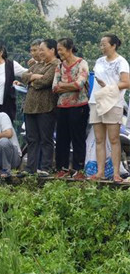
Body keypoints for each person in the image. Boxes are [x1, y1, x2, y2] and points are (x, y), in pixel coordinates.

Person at [87, 34, 129, 182]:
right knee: (99, 139)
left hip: (113, 103)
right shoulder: (99, 61)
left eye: (104, 44)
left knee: (113, 138)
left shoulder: (121, 62)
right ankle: (100, 172)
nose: (101, 47)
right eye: (101, 44)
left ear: (113, 45)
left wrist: (108, 87)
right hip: (97, 101)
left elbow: (126, 82)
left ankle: (116, 173)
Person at [19, 39, 59, 177]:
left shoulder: (56, 65)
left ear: (52, 50)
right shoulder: (37, 65)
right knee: (32, 139)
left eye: (42, 49)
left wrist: (32, 81)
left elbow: (46, 81)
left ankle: (45, 167)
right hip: (30, 107)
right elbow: (23, 76)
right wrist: (34, 77)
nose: (40, 52)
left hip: (46, 107)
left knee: (46, 138)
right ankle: (30, 167)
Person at [52, 37, 90, 179]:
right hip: (62, 106)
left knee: (78, 138)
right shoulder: (59, 66)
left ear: (69, 49)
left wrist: (63, 85)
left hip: (79, 106)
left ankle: (78, 169)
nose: (59, 52)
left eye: (61, 49)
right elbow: (54, 87)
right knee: (62, 138)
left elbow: (79, 84)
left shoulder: (82, 63)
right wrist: (69, 86)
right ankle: (62, 168)